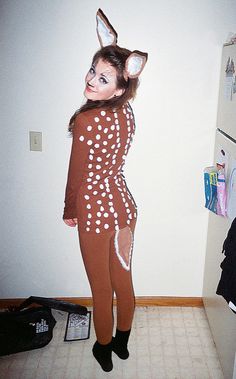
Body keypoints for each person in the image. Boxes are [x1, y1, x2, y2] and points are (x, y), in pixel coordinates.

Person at [63, 9, 148, 372]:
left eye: (103, 77)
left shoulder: (86, 119)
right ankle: (123, 343)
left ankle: (104, 348)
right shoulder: (126, 112)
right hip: (124, 209)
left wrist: (70, 209)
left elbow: (76, 173)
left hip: (95, 213)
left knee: (101, 289)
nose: (92, 79)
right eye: (92, 71)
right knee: (122, 281)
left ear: (119, 85)